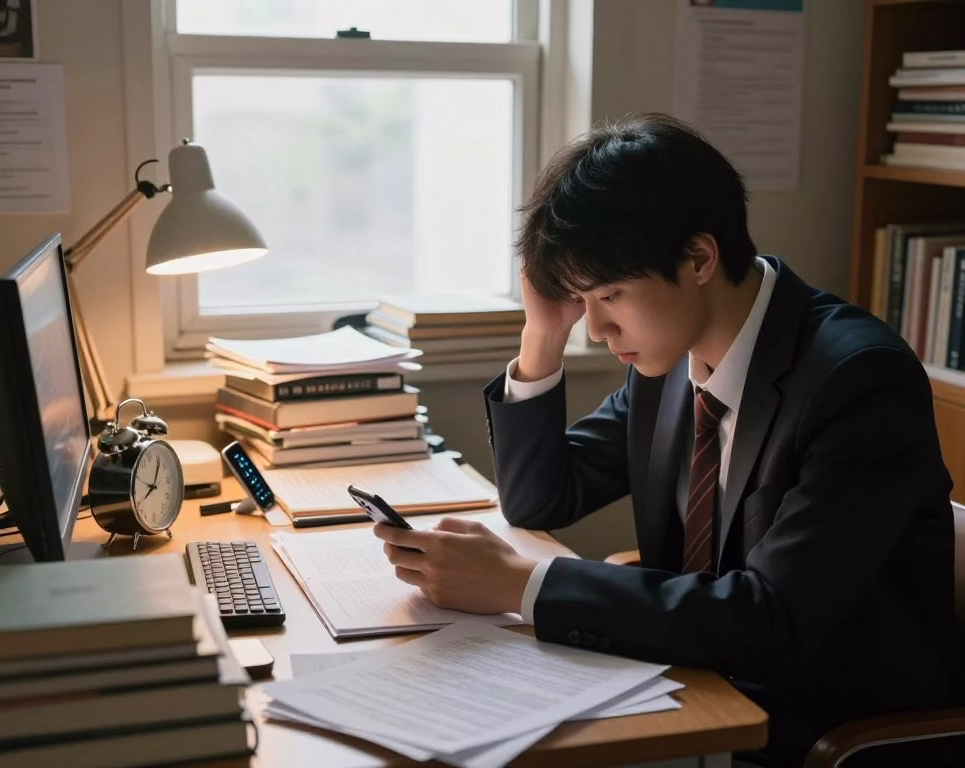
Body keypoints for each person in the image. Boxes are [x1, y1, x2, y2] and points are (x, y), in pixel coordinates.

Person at [372, 113, 965, 767]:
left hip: (813, 732)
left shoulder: (857, 382)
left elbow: (775, 622)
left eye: (611, 296)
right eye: (579, 300)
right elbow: (543, 500)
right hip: (691, 689)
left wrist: (523, 584)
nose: (595, 329)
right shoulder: (669, 361)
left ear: (699, 258)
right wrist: (542, 337)